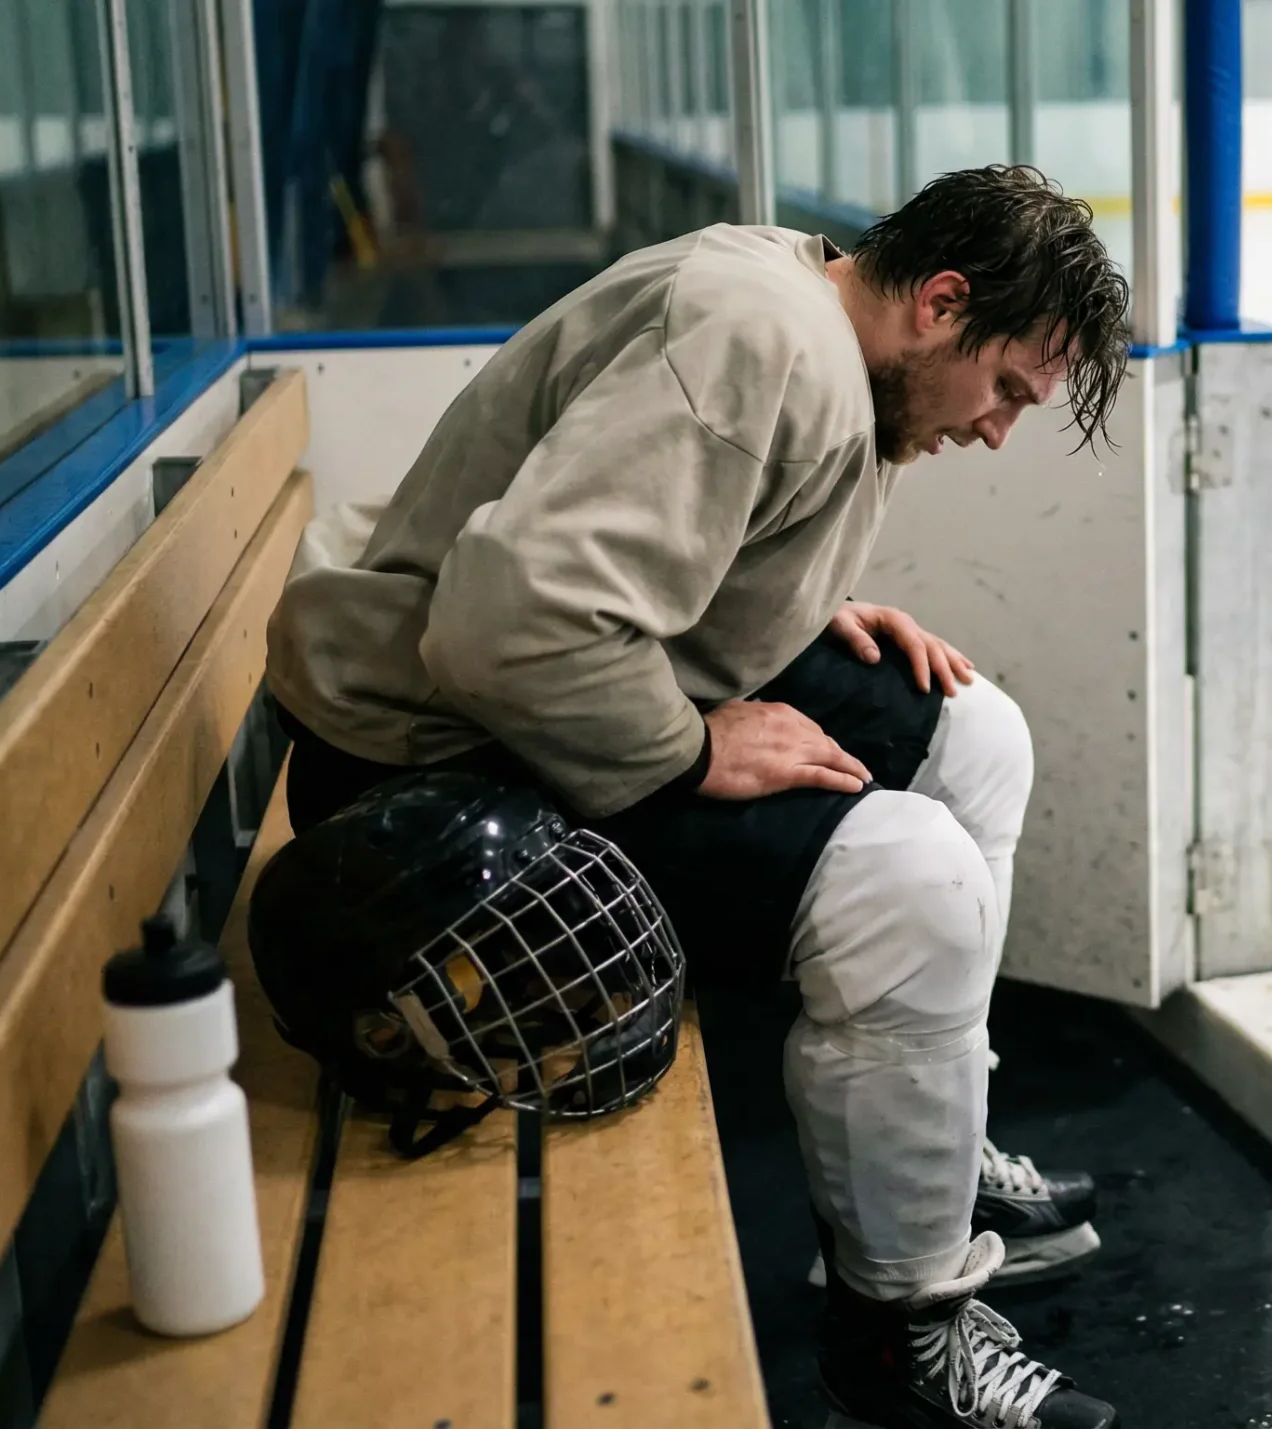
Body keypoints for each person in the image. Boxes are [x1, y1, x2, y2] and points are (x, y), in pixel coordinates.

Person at [262, 166, 1132, 1429]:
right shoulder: (763, 338)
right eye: (1004, 389)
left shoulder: (813, 298)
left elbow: (639, 511)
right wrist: (691, 752)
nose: (997, 431)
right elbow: (507, 631)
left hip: (542, 688)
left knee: (974, 738)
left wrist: (777, 596)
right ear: (942, 303)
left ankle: (928, 1159)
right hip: (430, 779)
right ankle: (899, 1332)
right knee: (913, 886)